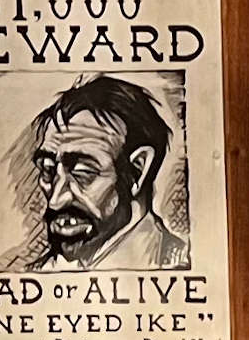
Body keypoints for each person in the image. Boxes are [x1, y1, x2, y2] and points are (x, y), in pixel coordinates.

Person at [30, 74, 188, 269]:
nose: (55, 200)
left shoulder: (177, 264)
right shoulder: (42, 272)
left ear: (138, 170)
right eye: (48, 170)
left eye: (83, 173)